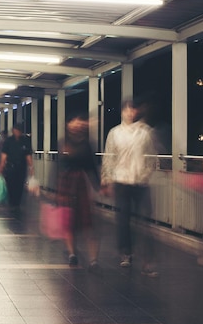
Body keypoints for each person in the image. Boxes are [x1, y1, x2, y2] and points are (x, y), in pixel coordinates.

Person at [101, 100, 158, 277]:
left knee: (145, 221)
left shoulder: (145, 132)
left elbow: (151, 156)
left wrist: (146, 173)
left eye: (132, 110)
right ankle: (126, 253)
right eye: (126, 110)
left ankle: (147, 260)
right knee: (123, 219)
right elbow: (109, 157)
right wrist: (106, 179)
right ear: (122, 112)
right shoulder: (115, 133)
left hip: (140, 182)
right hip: (121, 182)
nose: (130, 113)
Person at [56, 115, 101, 270]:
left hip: (80, 183)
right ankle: (72, 254)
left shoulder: (86, 144)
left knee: (87, 223)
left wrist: (98, 186)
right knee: (68, 222)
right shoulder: (64, 143)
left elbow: (91, 167)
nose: (76, 124)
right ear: (68, 124)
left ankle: (93, 259)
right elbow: (58, 166)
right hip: (66, 184)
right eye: (73, 121)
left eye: (79, 121)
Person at [0, 123, 34, 212]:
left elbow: (28, 155)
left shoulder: (25, 141)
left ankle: (17, 202)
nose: (18, 132)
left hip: (21, 166)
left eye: (19, 130)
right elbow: (4, 154)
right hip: (10, 166)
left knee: (20, 184)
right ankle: (12, 201)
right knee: (10, 184)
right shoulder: (8, 141)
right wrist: (1, 166)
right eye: (16, 130)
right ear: (13, 130)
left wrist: (31, 167)